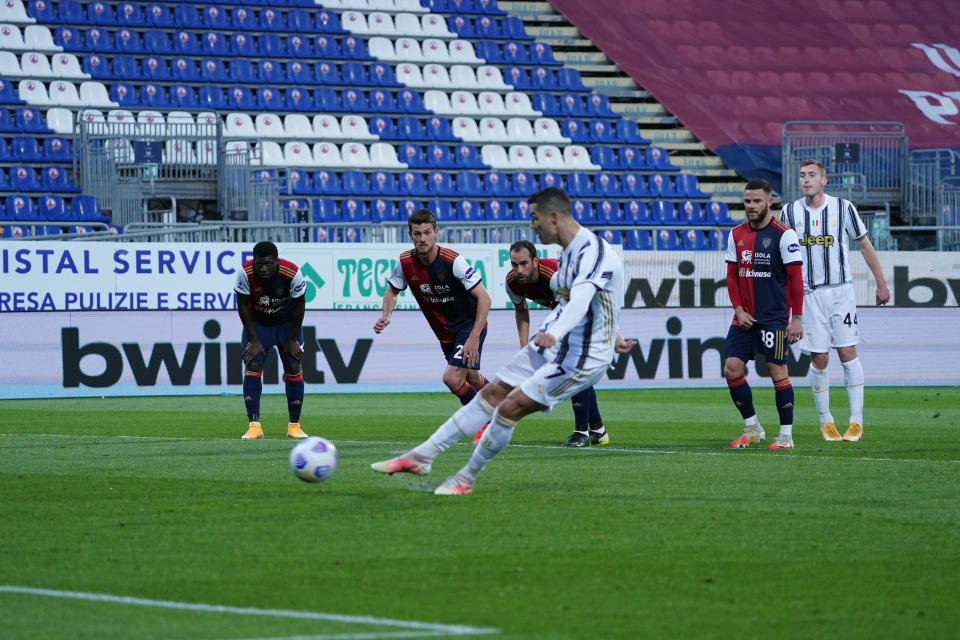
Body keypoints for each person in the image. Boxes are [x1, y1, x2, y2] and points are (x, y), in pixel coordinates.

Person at [371, 187, 635, 495]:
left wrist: (559, 332)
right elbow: (589, 301)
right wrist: (612, 331)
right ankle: (421, 456)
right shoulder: (568, 252)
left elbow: (582, 298)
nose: (531, 225)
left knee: (510, 406)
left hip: (581, 355)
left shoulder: (594, 252)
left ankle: (465, 479)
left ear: (553, 217)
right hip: (550, 343)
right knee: (491, 392)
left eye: (534, 218)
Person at [780, 159, 891, 442]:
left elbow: (864, 243)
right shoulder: (789, 212)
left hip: (841, 292)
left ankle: (856, 422)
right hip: (808, 294)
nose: (806, 180)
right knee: (818, 357)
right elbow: (783, 258)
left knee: (847, 352)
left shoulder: (843, 208)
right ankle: (826, 422)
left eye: (812, 175)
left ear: (823, 180)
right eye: (802, 175)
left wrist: (880, 282)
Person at [374, 208, 492, 423]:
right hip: (446, 333)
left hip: (470, 325)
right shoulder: (404, 262)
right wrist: (386, 315)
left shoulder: (453, 261)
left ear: (436, 232)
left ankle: (487, 422)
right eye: (417, 234)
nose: (422, 238)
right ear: (410, 235)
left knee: (452, 379)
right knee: (472, 377)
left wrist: (473, 337)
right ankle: (502, 402)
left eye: (427, 232)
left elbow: (485, 298)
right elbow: (392, 290)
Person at [724, 178, 804, 450]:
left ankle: (785, 436)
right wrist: (738, 309)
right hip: (743, 317)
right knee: (731, 368)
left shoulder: (785, 234)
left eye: (757, 201)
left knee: (776, 370)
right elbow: (732, 277)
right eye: (747, 201)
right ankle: (752, 426)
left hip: (773, 317)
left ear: (769, 202)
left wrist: (796, 318)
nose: (751, 206)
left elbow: (795, 280)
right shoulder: (735, 234)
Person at [507, 239, 611, 447]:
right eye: (514, 264)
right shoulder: (512, 283)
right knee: (577, 370)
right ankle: (598, 431)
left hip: (591, 309)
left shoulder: (555, 277)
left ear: (535, 261)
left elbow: (573, 309)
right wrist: (523, 346)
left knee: (573, 369)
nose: (518, 270)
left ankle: (581, 433)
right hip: (569, 311)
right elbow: (521, 311)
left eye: (524, 264)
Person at [235, 241, 309, 440]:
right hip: (259, 325)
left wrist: (292, 339)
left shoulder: (292, 273)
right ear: (254, 261)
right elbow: (242, 306)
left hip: (286, 325)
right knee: (253, 362)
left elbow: (300, 306)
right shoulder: (245, 273)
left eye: (268, 264)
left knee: (294, 366)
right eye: (259, 264)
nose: (263, 268)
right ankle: (254, 426)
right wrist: (253, 339)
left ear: (277, 261)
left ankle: (294, 425)